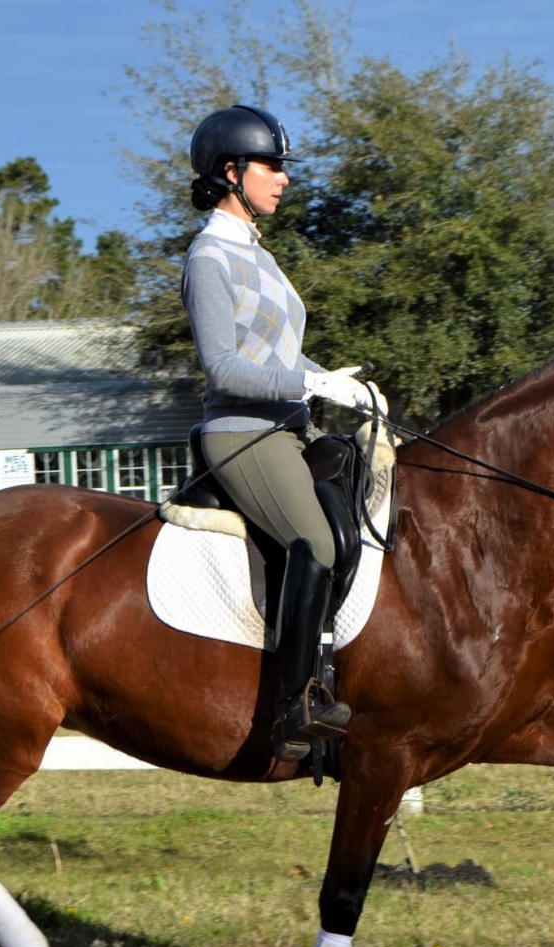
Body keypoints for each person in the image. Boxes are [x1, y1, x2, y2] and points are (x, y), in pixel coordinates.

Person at [181, 104, 376, 763]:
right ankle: (297, 707)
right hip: (243, 434)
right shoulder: (210, 257)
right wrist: (311, 383)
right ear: (231, 172)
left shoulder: (258, 255)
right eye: (272, 166)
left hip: (291, 429)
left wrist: (343, 383)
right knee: (315, 541)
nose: (284, 177)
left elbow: (281, 355)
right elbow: (225, 368)